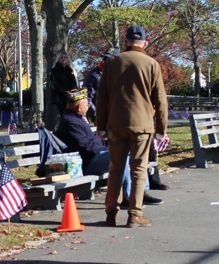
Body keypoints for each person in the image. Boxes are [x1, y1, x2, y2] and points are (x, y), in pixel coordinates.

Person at [96, 25, 167, 228]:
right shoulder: (152, 64)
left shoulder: (112, 62)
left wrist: (101, 126)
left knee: (115, 169)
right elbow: (160, 99)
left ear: (126, 42)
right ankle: (135, 214)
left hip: (115, 123)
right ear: (145, 43)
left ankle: (111, 213)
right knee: (138, 170)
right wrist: (161, 128)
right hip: (142, 125)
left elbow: (101, 96)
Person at [55, 89, 161, 207]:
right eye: (86, 104)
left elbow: (94, 142)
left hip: (95, 157)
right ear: (79, 107)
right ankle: (126, 197)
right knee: (121, 155)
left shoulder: (77, 119)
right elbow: (87, 147)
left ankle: (141, 192)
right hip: (87, 163)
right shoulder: (70, 122)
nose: (88, 106)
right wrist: (111, 149)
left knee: (135, 153)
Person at [82, 51, 113, 120]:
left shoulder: (118, 73)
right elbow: (88, 97)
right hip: (101, 115)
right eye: (105, 59)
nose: (106, 61)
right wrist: (96, 114)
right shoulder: (93, 75)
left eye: (110, 59)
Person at [49, 51, 78, 116]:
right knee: (63, 113)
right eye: (61, 57)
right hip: (60, 96)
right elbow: (53, 83)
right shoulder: (55, 70)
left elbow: (74, 83)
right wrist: (63, 91)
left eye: (65, 57)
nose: (63, 59)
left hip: (70, 96)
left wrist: (74, 92)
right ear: (58, 59)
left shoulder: (70, 70)